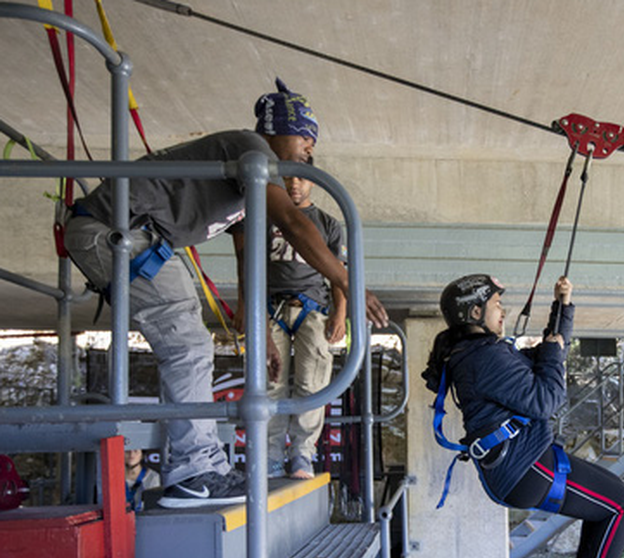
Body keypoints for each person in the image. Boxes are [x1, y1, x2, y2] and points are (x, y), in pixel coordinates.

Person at [63, 79, 388, 509]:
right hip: (114, 231)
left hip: (134, 235)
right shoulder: (252, 150)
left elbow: (252, 257)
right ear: (279, 133)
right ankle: (194, 472)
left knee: (189, 343)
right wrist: (349, 282)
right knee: (188, 344)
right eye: (305, 139)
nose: (310, 152)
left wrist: (260, 335)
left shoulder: (252, 175)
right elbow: (292, 223)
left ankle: (201, 466)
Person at [422, 274, 624, 558]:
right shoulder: (483, 357)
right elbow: (546, 400)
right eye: (496, 306)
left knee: (615, 500)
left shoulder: (481, 351)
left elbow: (548, 357)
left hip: (526, 462)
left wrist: (562, 307)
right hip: (527, 467)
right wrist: (551, 353)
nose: (502, 312)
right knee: (621, 505)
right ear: (475, 312)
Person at [234, 170, 346, 480]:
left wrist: (341, 313)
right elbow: (244, 262)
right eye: (287, 180)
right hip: (269, 306)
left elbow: (339, 272)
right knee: (271, 385)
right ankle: (270, 455)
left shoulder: (327, 223)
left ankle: (302, 453)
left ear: (312, 181)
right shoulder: (264, 216)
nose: (294, 185)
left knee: (312, 385)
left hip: (312, 306)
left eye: (300, 179)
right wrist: (244, 306)